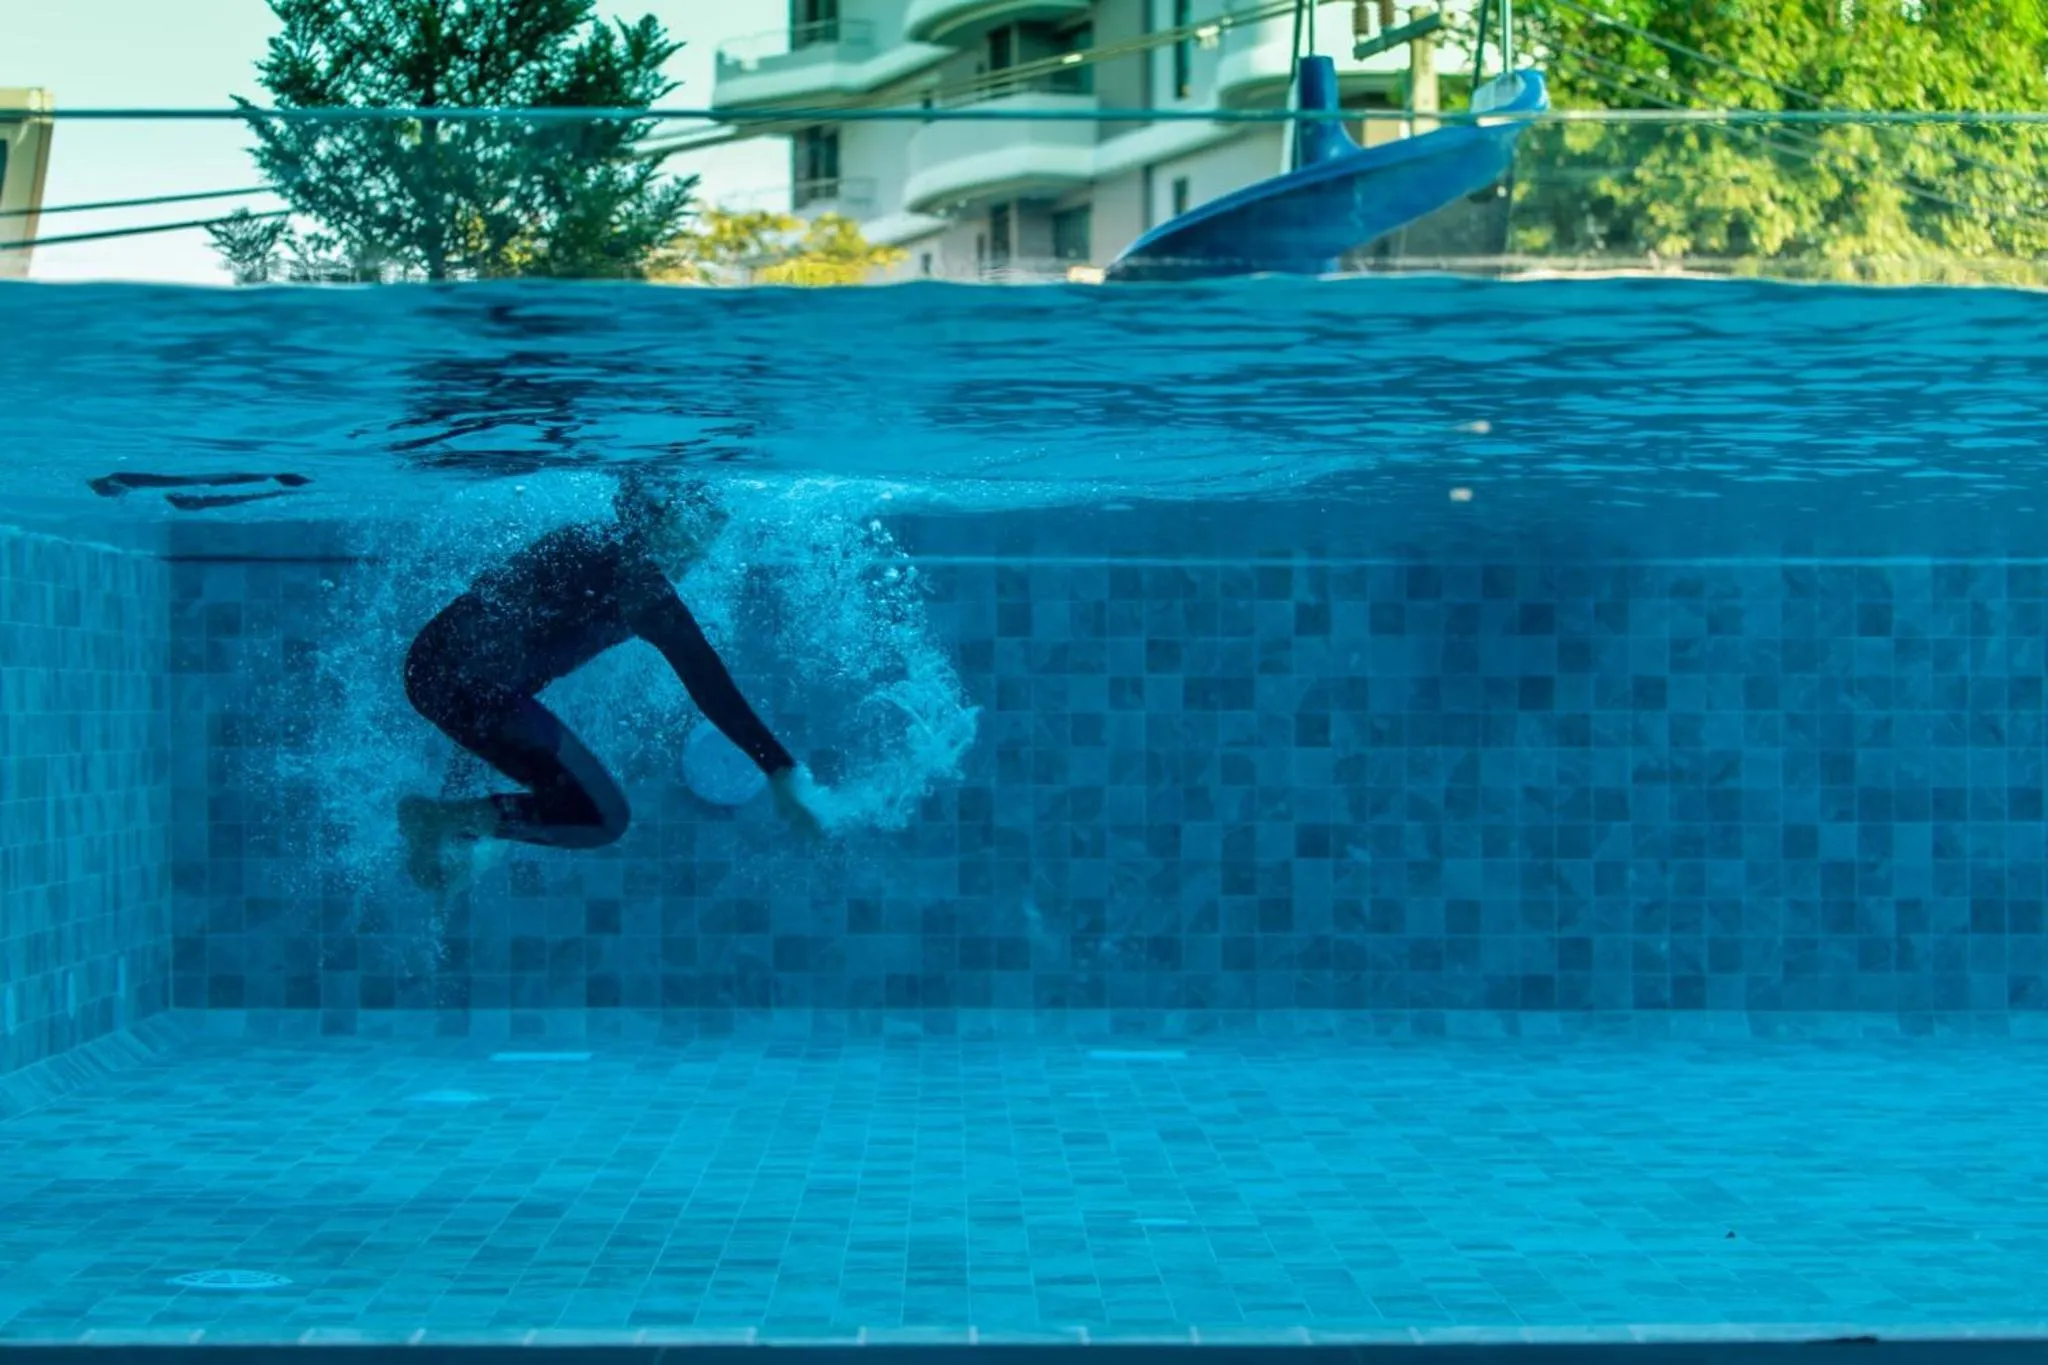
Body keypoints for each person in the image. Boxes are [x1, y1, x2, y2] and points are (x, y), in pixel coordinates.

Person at [397, 474, 829, 893]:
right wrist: (780, 771)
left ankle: (446, 824)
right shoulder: (631, 575)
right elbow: (704, 676)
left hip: (444, 674)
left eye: (709, 540)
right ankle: (438, 820)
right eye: (697, 532)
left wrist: (460, 815)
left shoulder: (591, 545)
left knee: (591, 812)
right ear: (660, 515)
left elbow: (501, 685)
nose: (701, 552)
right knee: (601, 817)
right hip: (459, 681)